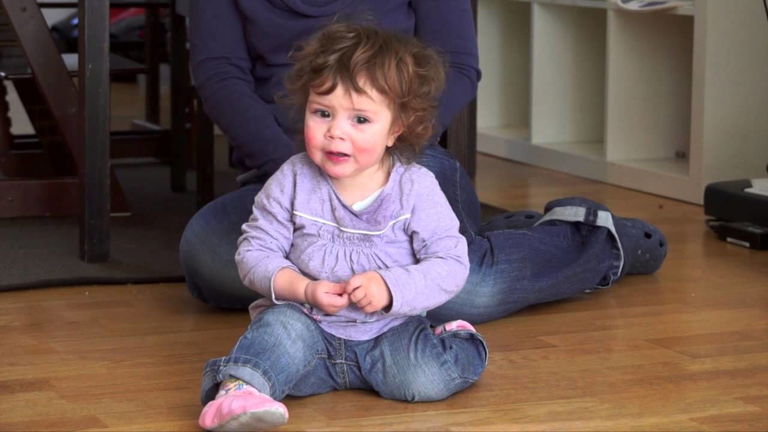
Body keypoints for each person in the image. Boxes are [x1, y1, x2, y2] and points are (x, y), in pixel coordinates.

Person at [180, 0, 668, 325]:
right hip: (288, 169)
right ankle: (482, 239)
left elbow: (458, 64)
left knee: (465, 292)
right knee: (210, 257)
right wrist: (301, 172)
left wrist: (389, 147)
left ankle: (597, 241)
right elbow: (219, 73)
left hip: (401, 160)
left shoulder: (399, 148)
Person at [197, 23, 488, 430]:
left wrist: (389, 287)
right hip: (308, 326)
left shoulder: (416, 187)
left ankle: (454, 341)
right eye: (322, 113)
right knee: (278, 333)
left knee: (424, 379)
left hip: (390, 331)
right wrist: (303, 289)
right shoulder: (292, 179)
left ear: (396, 129)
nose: (335, 131)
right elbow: (254, 253)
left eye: (360, 119)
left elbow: (450, 262)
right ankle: (237, 391)